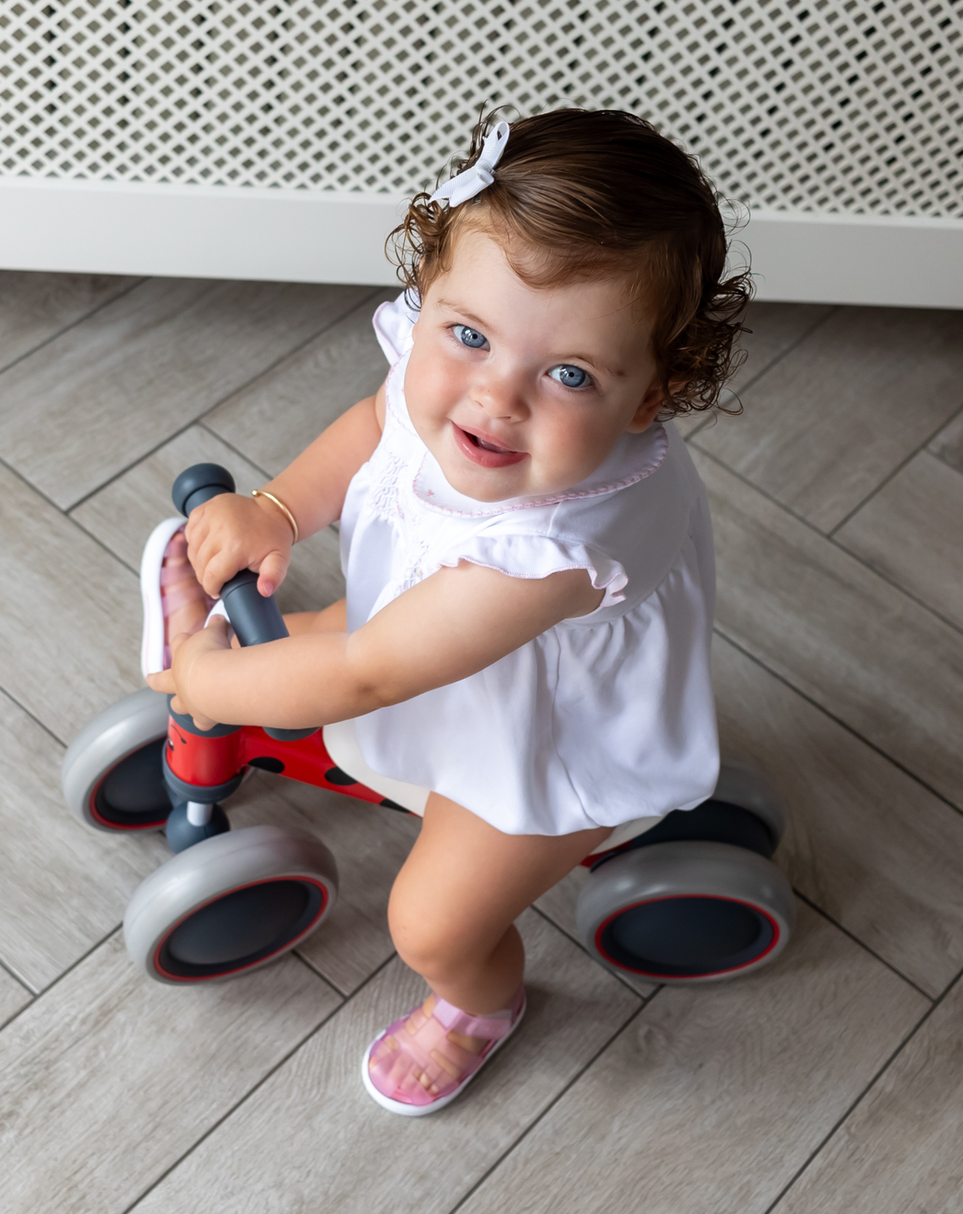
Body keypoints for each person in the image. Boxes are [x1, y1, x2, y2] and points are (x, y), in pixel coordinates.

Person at [148, 107, 750, 1115]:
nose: (492, 397)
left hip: (540, 740)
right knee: (302, 648)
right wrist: (278, 507)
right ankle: (248, 701)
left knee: (428, 920)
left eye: (567, 375)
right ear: (426, 299)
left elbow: (373, 670)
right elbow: (372, 423)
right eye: (465, 334)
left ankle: (481, 1000)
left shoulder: (553, 550)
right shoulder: (450, 382)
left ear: (652, 393)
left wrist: (209, 675)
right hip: (423, 631)